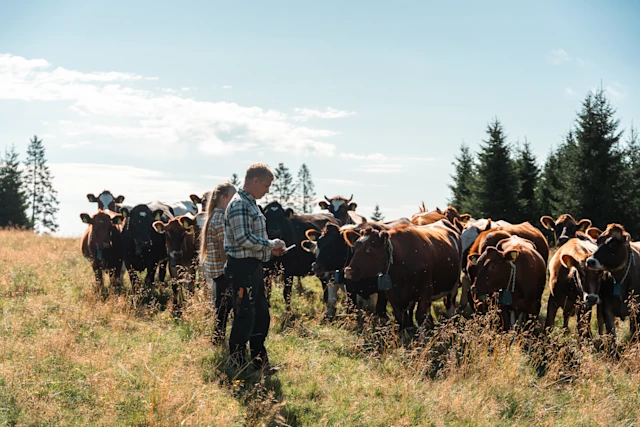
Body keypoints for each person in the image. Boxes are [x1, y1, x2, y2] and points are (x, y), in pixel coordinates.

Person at [224, 163, 285, 373]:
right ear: (255, 180)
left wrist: (270, 250)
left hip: (253, 268)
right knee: (244, 317)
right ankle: (238, 366)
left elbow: (251, 240)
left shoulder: (250, 204)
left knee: (260, 317)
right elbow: (243, 238)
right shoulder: (240, 204)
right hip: (242, 269)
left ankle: (259, 363)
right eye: (266, 185)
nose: (267, 190)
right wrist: (271, 244)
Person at [199, 182, 237, 344]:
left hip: (216, 271)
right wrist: (230, 270)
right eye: (232, 197)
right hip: (223, 271)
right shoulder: (221, 217)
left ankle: (218, 340)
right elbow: (224, 247)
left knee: (221, 308)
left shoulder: (213, 215)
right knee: (227, 308)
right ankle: (223, 341)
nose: (235, 200)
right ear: (223, 197)